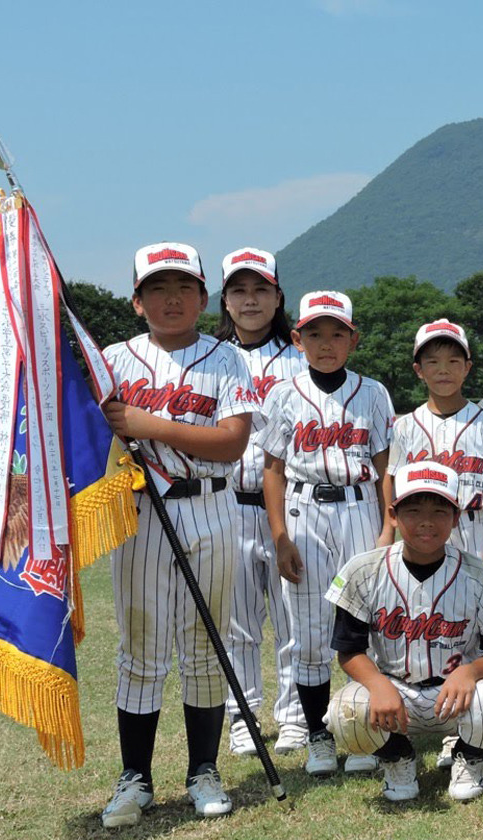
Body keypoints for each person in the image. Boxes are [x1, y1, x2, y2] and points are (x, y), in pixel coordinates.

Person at [98, 242, 256, 827]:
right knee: (141, 648)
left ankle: (203, 770)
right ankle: (135, 776)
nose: (171, 299)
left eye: (183, 288)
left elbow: (232, 443)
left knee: (205, 644)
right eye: (157, 289)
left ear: (201, 298)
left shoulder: (227, 358)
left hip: (210, 509)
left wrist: (148, 424)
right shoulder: (113, 360)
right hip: (139, 514)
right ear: (137, 301)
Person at [259, 290, 395, 779]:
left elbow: (385, 468)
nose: (326, 343)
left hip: (360, 508)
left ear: (353, 340)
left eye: (337, 333)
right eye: (314, 333)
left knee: (371, 627)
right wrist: (279, 536)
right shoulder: (282, 393)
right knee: (310, 633)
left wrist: (388, 526)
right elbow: (272, 469)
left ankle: (369, 730)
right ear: (297, 339)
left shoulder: (374, 392)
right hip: (305, 511)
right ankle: (318, 734)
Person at [326, 464, 483, 802]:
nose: (426, 521)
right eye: (413, 510)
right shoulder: (363, 571)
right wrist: (377, 684)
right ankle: (398, 758)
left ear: (456, 517)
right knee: (347, 710)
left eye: (439, 510)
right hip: (395, 693)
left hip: (454, 695)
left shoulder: (480, 576)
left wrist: (471, 671)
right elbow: (349, 649)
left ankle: (469, 756)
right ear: (393, 514)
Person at [388, 319, 483, 770]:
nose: (443, 369)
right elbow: (393, 485)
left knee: (480, 632)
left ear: (468, 367)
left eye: (452, 361)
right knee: (432, 621)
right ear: (418, 369)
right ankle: (439, 716)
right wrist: (389, 540)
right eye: (432, 362)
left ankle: (478, 729)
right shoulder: (406, 426)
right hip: (421, 534)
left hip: (473, 530)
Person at [215, 248, 308, 759]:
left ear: (278, 298)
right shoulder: (210, 358)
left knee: (293, 620)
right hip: (227, 504)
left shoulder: (301, 360)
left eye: (260, 290)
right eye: (239, 291)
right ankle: (242, 715)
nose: (250, 301)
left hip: (288, 506)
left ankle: (293, 717)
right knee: (238, 622)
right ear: (225, 301)